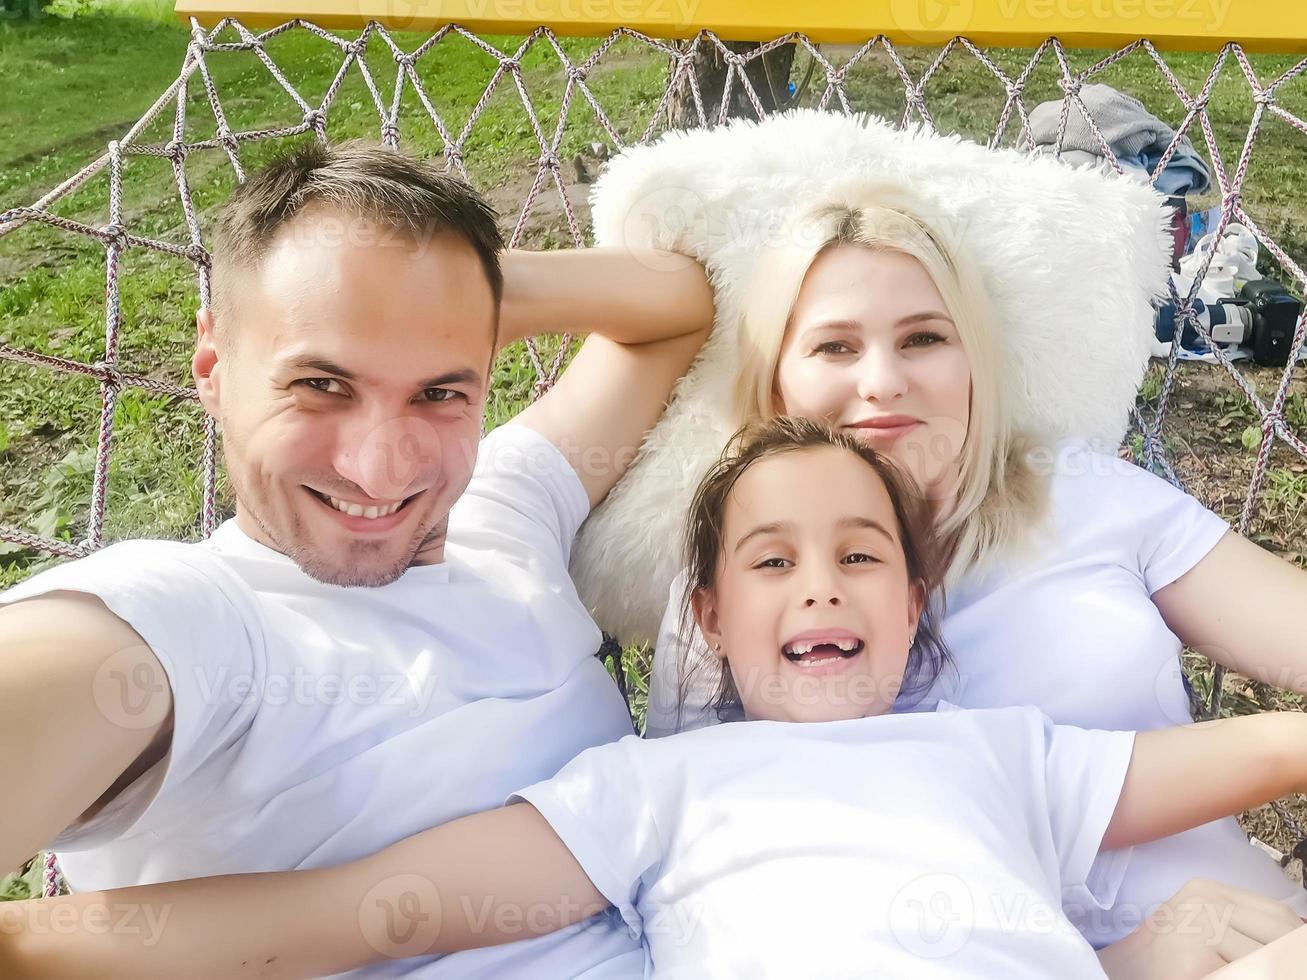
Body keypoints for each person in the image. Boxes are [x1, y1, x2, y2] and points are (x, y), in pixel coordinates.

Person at [5, 416, 1307, 979]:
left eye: (859, 557)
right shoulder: (652, 791)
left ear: (912, 607)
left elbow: (1262, 749)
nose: (818, 590)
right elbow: (348, 915)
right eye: (769, 561)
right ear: (705, 617)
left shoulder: (1007, 755)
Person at [0, 140, 714, 977]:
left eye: (440, 392)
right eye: (321, 386)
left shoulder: (501, 514)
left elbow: (682, 305)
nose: (380, 469)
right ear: (213, 369)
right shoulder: (187, 622)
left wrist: (466, 287)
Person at [644, 203, 1307, 944]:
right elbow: (704, 878)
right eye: (834, 347)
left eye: (922, 338)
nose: (883, 382)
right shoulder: (738, 605)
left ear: (973, 361)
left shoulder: (1084, 498)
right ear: (775, 386)